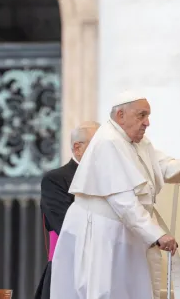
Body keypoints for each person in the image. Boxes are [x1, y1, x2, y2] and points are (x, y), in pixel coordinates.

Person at [49, 91, 180, 299]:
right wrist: (156, 234)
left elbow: (160, 166)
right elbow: (122, 200)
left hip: (125, 232)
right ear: (120, 115)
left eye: (148, 116)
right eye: (141, 115)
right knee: (107, 291)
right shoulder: (107, 142)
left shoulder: (138, 142)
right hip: (102, 235)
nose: (147, 122)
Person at [34, 121, 101, 299]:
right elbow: (66, 225)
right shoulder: (55, 180)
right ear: (77, 148)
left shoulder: (110, 179)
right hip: (67, 269)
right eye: (98, 145)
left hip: (103, 270)